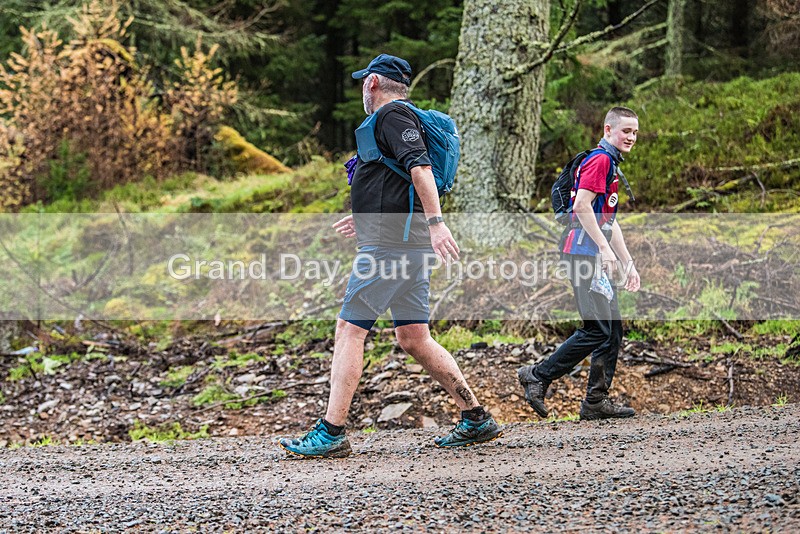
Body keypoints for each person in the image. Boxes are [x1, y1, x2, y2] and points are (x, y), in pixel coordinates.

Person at [279, 54, 501, 458]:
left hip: (390, 248)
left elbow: (420, 168)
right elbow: (392, 179)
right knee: (414, 337)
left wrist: (437, 224)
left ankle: (331, 432)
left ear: (373, 83)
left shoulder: (392, 116)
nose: (364, 88)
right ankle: (476, 417)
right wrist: (364, 216)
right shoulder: (398, 120)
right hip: (402, 243)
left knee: (349, 330)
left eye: (365, 81)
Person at [518, 107, 642, 421]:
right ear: (608, 129)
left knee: (611, 329)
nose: (631, 137)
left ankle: (596, 401)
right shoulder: (600, 160)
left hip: (594, 254)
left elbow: (609, 222)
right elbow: (581, 206)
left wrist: (627, 262)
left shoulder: (610, 164)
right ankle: (538, 375)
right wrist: (603, 249)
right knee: (597, 328)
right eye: (625, 131)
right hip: (582, 254)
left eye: (635, 132)